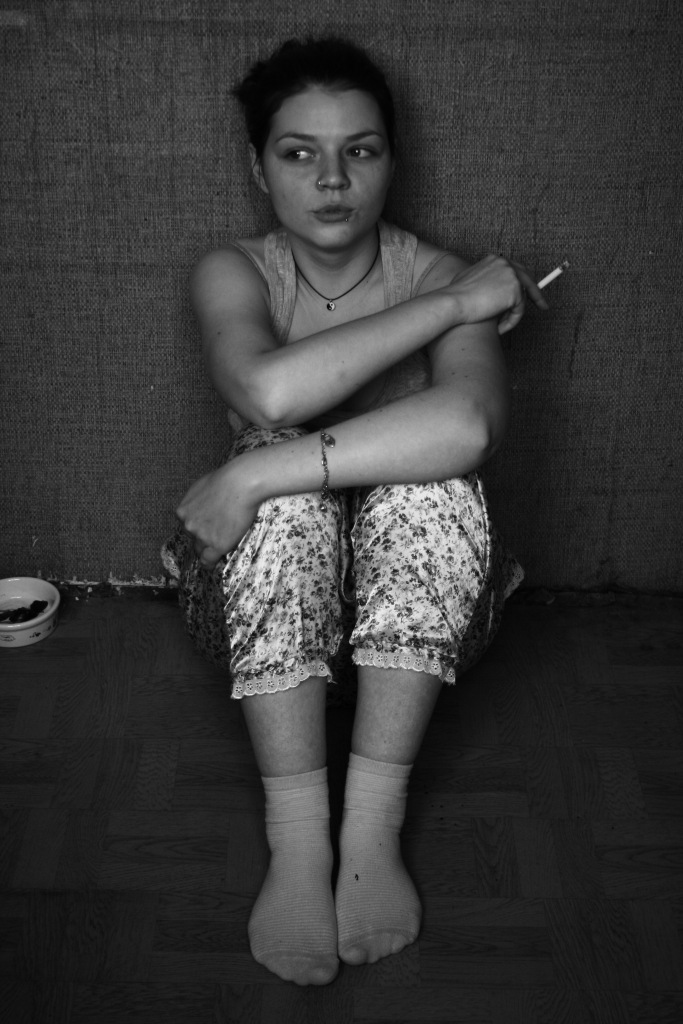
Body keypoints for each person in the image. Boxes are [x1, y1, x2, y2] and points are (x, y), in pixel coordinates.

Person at [162, 36, 546, 986]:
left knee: (427, 488)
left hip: (423, 631)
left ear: (391, 161)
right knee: (284, 506)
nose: (331, 180)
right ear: (259, 168)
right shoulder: (234, 271)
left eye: (359, 151)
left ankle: (370, 832)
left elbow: (468, 425)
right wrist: (453, 307)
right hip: (261, 625)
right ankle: (298, 844)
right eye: (299, 153)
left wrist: (255, 473)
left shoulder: (434, 267)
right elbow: (268, 391)